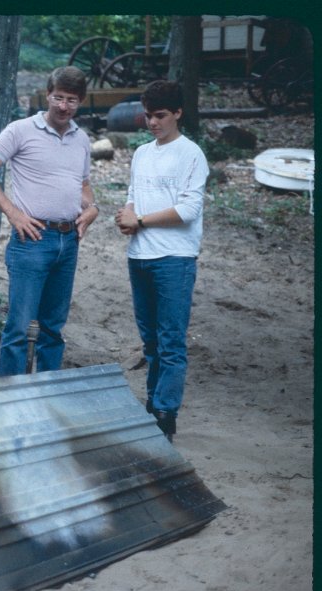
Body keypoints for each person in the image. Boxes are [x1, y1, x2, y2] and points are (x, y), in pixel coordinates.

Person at [0, 66, 99, 377]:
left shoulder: (81, 139)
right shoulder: (21, 130)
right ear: (47, 95)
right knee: (19, 326)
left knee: (53, 328)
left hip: (68, 242)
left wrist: (92, 208)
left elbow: (82, 184)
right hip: (32, 240)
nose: (64, 106)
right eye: (58, 98)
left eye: (72, 100)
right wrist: (12, 212)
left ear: (80, 101)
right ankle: (9, 403)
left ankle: (47, 397)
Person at [114, 80, 209, 442]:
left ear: (178, 113)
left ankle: (166, 414)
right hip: (140, 255)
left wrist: (139, 221)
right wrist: (127, 216)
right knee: (150, 341)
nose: (153, 123)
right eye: (148, 116)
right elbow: (134, 194)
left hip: (175, 258)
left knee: (171, 341)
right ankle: (153, 404)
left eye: (161, 116)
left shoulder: (191, 154)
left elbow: (188, 209)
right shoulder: (142, 153)